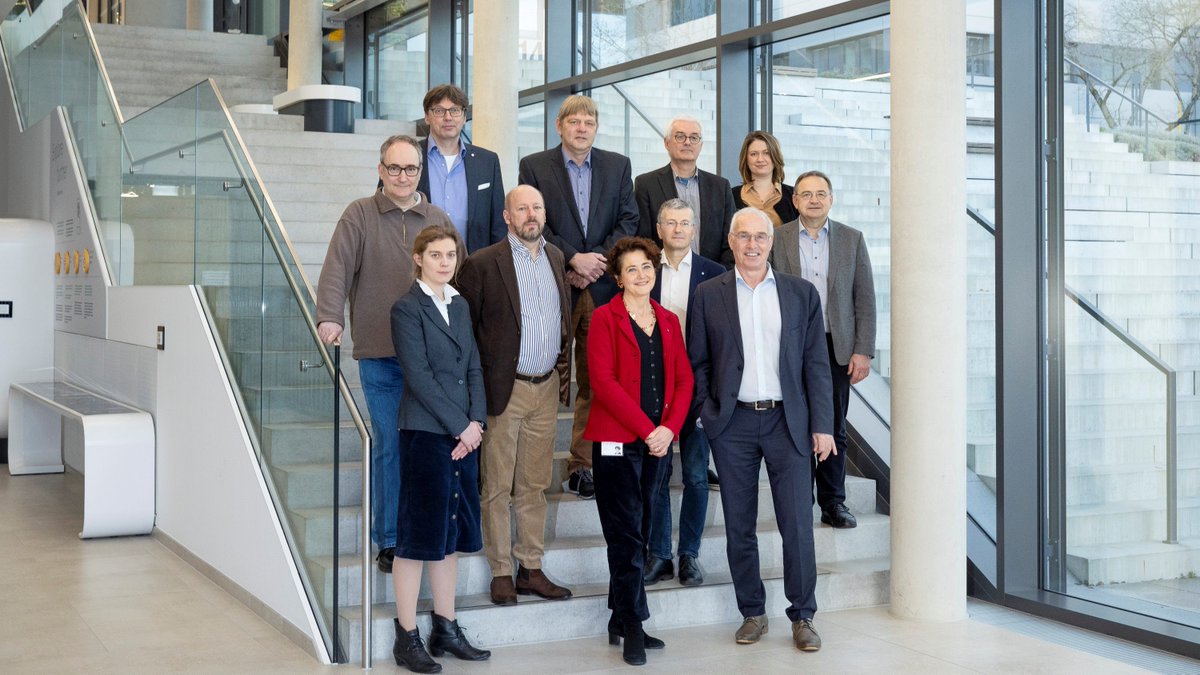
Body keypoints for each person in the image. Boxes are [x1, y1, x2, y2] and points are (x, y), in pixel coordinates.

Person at [688, 207, 835, 653]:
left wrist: (823, 425)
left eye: (760, 237)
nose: (752, 245)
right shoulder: (708, 294)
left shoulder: (801, 293)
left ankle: (803, 615)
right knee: (739, 525)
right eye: (743, 237)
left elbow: (816, 365)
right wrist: (706, 414)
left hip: (787, 422)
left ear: (772, 243)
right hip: (731, 425)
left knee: (797, 524)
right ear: (730, 242)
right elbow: (698, 361)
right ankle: (752, 611)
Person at [316, 134, 454, 575]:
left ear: (420, 171)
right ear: (380, 171)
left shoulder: (435, 216)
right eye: (393, 168)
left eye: (410, 169)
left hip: (431, 359)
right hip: (381, 354)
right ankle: (391, 539)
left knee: (431, 447)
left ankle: (428, 531)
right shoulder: (359, 214)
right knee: (391, 445)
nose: (402, 176)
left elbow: (458, 269)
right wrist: (330, 317)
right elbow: (337, 267)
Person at [456, 185, 575, 605]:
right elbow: (465, 336)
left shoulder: (556, 258)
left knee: (534, 484)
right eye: (521, 207)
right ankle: (501, 571)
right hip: (503, 391)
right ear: (507, 216)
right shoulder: (482, 263)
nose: (530, 214)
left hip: (544, 389)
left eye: (537, 207)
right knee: (497, 487)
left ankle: (532, 567)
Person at [518, 94, 640, 500]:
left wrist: (596, 262)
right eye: (574, 121)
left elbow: (629, 219)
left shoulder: (618, 165)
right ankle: (532, 463)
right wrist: (572, 258)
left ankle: (582, 465)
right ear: (559, 126)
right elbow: (533, 222)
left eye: (589, 121)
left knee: (596, 379)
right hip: (554, 283)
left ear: (596, 126)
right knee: (548, 375)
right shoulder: (534, 166)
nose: (582, 127)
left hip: (602, 286)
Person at [585, 236, 693, 667]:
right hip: (616, 444)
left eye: (647, 266)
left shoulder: (668, 320)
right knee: (624, 533)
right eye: (631, 269)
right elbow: (604, 383)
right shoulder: (604, 319)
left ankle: (618, 616)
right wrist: (650, 430)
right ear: (618, 277)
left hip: (658, 444)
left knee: (644, 529)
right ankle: (633, 623)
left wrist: (668, 429)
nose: (641, 274)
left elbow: (684, 380)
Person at [388, 224, 490, 673]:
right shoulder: (406, 308)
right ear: (418, 258)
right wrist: (460, 427)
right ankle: (406, 636)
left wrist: (478, 424)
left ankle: (445, 628)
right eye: (436, 255)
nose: (445, 262)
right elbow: (420, 376)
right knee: (417, 539)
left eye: (451, 255)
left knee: (448, 539)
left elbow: (473, 366)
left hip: (464, 434)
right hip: (427, 434)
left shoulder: (461, 304)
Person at [772, 170, 876, 529]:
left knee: (833, 426)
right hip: (789, 344)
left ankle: (834, 502)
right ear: (795, 200)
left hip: (835, 346)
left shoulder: (851, 239)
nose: (814, 199)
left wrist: (863, 350)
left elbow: (865, 298)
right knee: (795, 425)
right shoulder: (777, 237)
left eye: (821, 193)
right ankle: (801, 499)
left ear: (831, 199)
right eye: (806, 194)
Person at [643, 199, 724, 588]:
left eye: (685, 223)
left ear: (694, 230)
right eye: (670, 222)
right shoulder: (643, 271)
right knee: (656, 476)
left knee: (694, 475)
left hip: (699, 389)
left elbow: (725, 340)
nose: (678, 229)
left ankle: (688, 554)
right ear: (659, 228)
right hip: (654, 388)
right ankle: (659, 554)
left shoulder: (714, 273)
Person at [633, 116, 735, 267]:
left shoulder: (720, 187)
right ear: (667, 143)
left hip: (711, 278)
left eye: (694, 137)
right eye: (680, 136)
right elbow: (643, 239)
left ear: (701, 145)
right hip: (664, 275)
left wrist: (719, 275)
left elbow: (730, 239)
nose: (687, 142)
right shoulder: (646, 184)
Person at [417, 83, 506, 253]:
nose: (448, 117)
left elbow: (498, 225)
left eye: (455, 110)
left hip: (474, 267)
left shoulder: (487, 161)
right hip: (421, 266)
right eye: (439, 111)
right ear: (427, 117)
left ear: (464, 117)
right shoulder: (409, 156)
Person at [730, 131, 799, 227]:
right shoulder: (730, 196)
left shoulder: (794, 195)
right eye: (754, 154)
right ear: (746, 159)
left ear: (775, 157)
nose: (760, 159)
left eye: (766, 153)